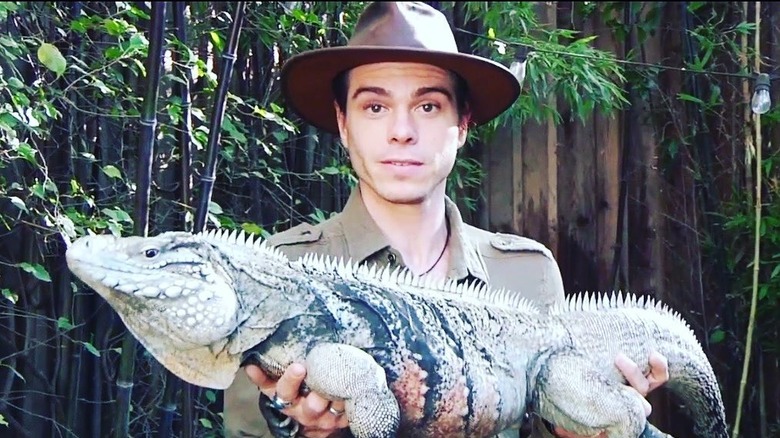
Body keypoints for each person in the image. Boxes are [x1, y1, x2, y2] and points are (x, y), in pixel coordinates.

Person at [224, 2, 669, 437]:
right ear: (343, 123)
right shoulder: (276, 274)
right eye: (375, 107)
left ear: (462, 125)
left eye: (428, 106)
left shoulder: (525, 272)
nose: (402, 131)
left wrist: (587, 424)